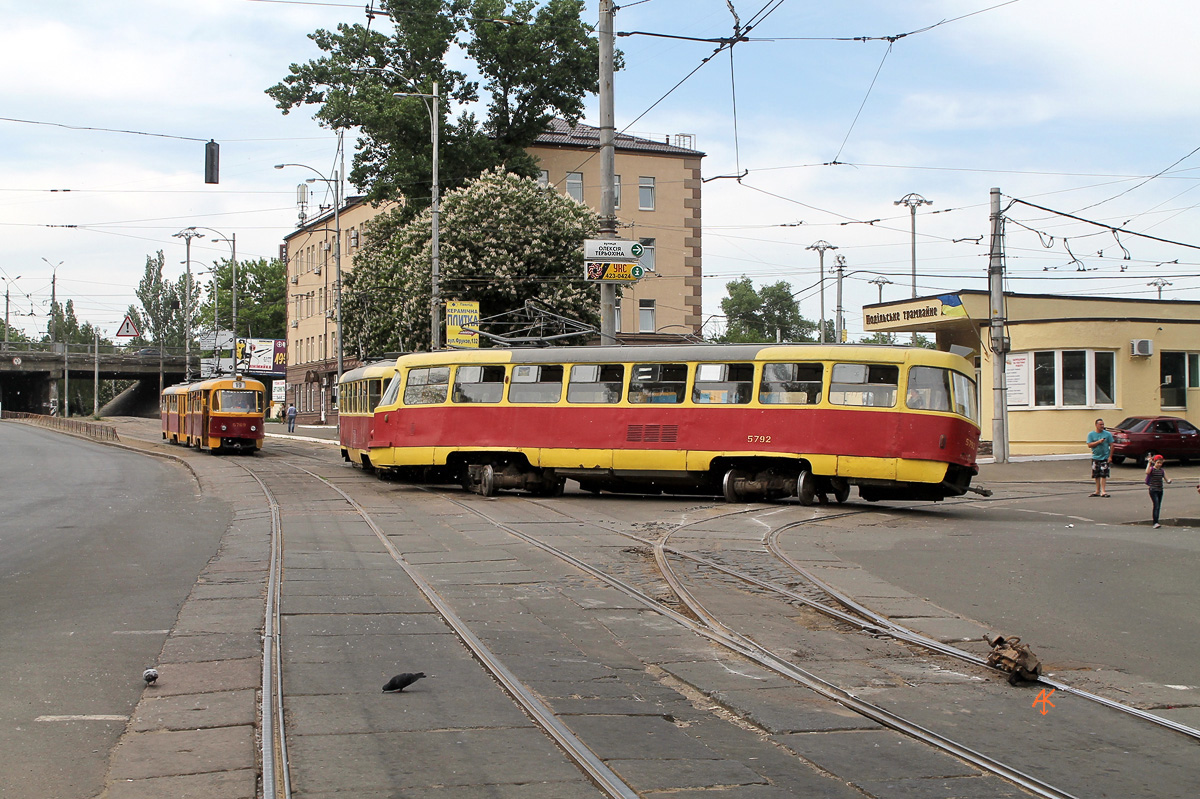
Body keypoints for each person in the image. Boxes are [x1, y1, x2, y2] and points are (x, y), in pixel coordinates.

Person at [1086, 418, 1114, 497]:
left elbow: (1112, 445)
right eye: (1100, 424)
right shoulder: (1091, 434)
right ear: (1096, 425)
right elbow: (1089, 445)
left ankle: (1103, 491)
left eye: (1103, 424)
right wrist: (1098, 442)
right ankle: (1097, 490)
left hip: (1105, 457)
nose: (1102, 426)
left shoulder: (1107, 434)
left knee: (1103, 474)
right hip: (1096, 457)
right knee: (1096, 474)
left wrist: (1110, 456)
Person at [1145, 454, 1172, 529]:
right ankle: (1155, 522)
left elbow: (1167, 479)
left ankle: (1156, 521)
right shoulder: (1152, 469)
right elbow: (1147, 472)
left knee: (1158, 506)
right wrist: (1149, 463)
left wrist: (1169, 481)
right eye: (1158, 463)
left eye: (1161, 463)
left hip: (1160, 490)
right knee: (1156, 505)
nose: (1159, 464)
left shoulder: (1162, 471)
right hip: (1153, 490)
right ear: (1155, 462)